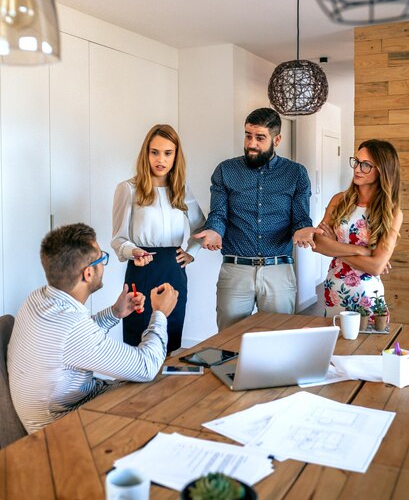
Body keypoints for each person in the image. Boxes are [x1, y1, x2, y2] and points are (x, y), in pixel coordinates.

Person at [7, 223, 178, 434]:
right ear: (88, 273)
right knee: (164, 388)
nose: (104, 264)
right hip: (68, 431)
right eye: (102, 258)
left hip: (74, 405)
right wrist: (160, 314)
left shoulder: (37, 299)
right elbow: (146, 366)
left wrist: (115, 312)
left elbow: (71, 343)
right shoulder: (71, 328)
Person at [195, 107, 320, 331]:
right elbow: (219, 214)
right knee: (228, 341)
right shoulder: (226, 171)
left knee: (279, 339)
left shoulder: (296, 174)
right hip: (236, 270)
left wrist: (303, 229)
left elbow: (301, 217)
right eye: (248, 135)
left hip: (278, 270)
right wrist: (214, 229)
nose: (252, 143)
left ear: (277, 139)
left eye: (260, 138)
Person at [111, 124, 205, 353]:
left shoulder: (180, 189)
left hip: (173, 269)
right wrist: (133, 251)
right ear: (146, 153)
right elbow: (118, 239)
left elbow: (202, 228)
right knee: (138, 339)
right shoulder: (128, 189)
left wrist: (191, 253)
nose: (160, 159)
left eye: (167, 153)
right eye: (154, 152)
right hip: (141, 268)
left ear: (176, 156)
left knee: (170, 338)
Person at [311, 139, 402, 317]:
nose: (357, 169)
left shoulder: (392, 212)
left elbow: (376, 267)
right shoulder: (339, 200)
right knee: (334, 343)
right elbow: (318, 243)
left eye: (366, 165)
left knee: (368, 344)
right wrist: (361, 251)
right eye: (356, 162)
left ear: (383, 171)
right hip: (334, 290)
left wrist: (334, 246)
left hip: (367, 295)